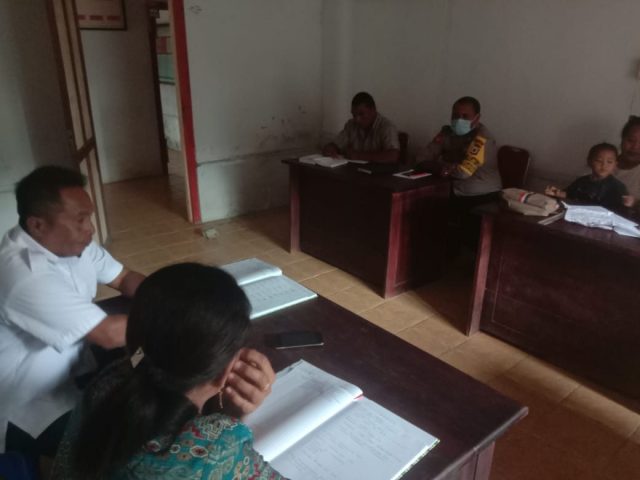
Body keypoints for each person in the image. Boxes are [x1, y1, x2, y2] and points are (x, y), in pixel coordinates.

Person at [0, 166, 274, 464]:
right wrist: (193, 321)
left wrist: (170, 298)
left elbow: (124, 278)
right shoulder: (23, 275)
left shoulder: (73, 245)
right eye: (80, 219)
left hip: (79, 366)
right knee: (124, 446)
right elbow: (107, 334)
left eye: (89, 217)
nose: (90, 229)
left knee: (144, 377)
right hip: (33, 398)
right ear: (37, 225)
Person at [51, 263, 284, 480]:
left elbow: (136, 359)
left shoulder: (110, 379)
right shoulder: (218, 448)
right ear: (224, 373)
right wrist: (231, 417)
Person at [415, 96, 502, 200]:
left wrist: (441, 166)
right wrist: (442, 168)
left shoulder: (482, 139)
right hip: (454, 187)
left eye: (465, 116)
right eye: (455, 115)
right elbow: (421, 157)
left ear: (477, 118)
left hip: (480, 192)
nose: (459, 120)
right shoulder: (447, 132)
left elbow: (463, 172)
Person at [545, 143, 633, 210]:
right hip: (578, 214)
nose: (604, 165)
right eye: (599, 161)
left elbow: (624, 207)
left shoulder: (618, 186)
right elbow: (568, 194)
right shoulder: (581, 181)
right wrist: (557, 193)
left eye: (609, 162)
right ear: (589, 162)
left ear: (615, 165)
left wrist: (629, 203)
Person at [322, 91, 400, 163]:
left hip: (379, 172)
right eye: (354, 115)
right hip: (355, 171)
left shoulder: (387, 127)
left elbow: (393, 155)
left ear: (373, 110)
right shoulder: (351, 125)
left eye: (361, 114)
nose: (357, 119)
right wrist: (330, 149)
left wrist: (359, 156)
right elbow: (336, 144)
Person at [616, 115, 640, 210]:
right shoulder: (599, 163)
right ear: (622, 139)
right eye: (631, 140)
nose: (635, 147)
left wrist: (636, 203)